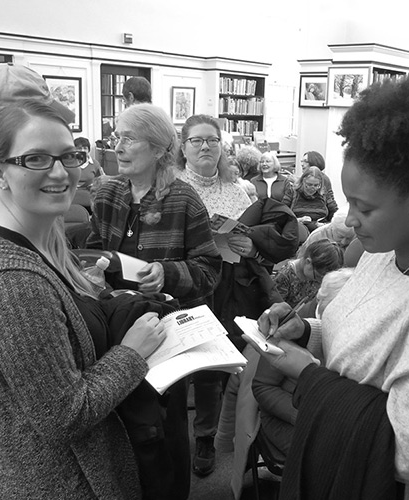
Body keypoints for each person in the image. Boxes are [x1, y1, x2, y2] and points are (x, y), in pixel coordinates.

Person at [247, 75, 409, 499]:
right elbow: (361, 339)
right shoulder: (382, 250)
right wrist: (306, 331)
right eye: (348, 201)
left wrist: (307, 378)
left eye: (365, 207)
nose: (349, 219)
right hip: (343, 465)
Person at [0, 100, 167, 499]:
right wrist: (131, 354)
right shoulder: (13, 281)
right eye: (35, 158)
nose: (59, 171)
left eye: (70, 156)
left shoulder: (41, 243)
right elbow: (62, 415)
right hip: (62, 482)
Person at [87, 103, 222, 498]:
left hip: (165, 335)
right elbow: (95, 248)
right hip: (113, 327)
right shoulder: (108, 192)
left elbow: (209, 271)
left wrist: (167, 273)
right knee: (121, 429)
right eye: (116, 137)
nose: (118, 146)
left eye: (129, 138)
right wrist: (94, 270)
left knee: (162, 433)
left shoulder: (183, 200)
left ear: (160, 149)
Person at [175, 114, 299, 477]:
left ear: (222, 147)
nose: (205, 147)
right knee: (185, 359)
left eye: (212, 140)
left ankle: (207, 437)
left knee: (219, 362)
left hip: (234, 284)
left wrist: (251, 247)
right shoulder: (173, 188)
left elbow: (256, 244)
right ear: (183, 148)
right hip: (191, 283)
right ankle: (175, 437)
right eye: (196, 141)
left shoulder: (240, 189)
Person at [253, 268, 353, 461]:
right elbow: (262, 386)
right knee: (324, 459)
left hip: (328, 415)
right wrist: (301, 416)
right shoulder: (291, 326)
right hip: (287, 415)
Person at [273, 238, 343, 308]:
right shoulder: (285, 276)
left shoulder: (315, 274)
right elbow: (276, 307)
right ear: (308, 262)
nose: (320, 281)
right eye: (318, 277)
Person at [282, 166, 338, 235]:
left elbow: (335, 215)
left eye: (316, 185)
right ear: (303, 181)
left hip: (320, 232)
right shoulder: (292, 192)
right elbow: (282, 214)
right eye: (309, 184)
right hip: (298, 231)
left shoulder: (324, 194)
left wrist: (324, 225)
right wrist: (299, 220)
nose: (312, 188)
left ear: (320, 184)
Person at [72, 136, 104, 211]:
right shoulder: (68, 163)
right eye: (79, 148)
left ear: (88, 150)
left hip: (89, 196)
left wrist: (94, 186)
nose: (82, 151)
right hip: (72, 196)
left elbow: (101, 180)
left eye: (85, 148)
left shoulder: (95, 164)